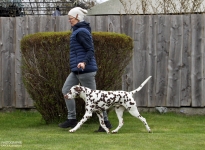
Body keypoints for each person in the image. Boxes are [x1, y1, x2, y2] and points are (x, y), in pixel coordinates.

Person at [58, 7, 112, 132]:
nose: (69, 21)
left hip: (86, 70)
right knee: (66, 90)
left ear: (77, 17)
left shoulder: (82, 32)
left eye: (70, 18)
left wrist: (84, 62)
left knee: (96, 99)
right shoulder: (77, 31)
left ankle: (106, 123)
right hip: (76, 70)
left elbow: (90, 50)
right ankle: (72, 119)